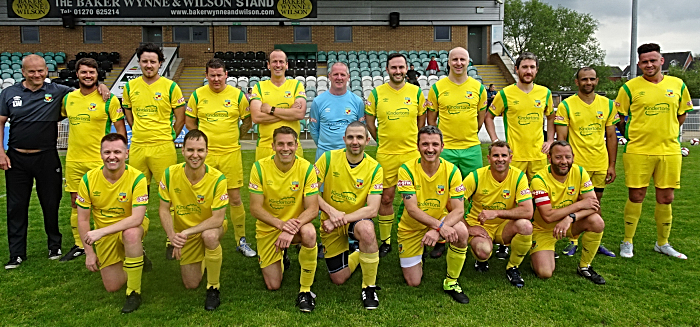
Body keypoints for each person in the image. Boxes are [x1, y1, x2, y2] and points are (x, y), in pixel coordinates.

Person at [0, 54, 109, 269]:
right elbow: (1, 122)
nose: (37, 74)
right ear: (23, 72)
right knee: (16, 206)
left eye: (41, 70)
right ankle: (17, 254)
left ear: (46, 71)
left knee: (51, 203)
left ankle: (54, 246)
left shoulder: (58, 92)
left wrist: (102, 86)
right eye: (32, 71)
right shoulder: (9, 93)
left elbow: (85, 89)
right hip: (16, 158)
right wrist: (1, 152)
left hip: (47, 155)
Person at [615, 43, 693, 259]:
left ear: (661, 61)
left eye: (653, 60)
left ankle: (663, 243)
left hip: (669, 150)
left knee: (666, 197)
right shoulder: (629, 88)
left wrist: (665, 131)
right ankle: (627, 241)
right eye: (644, 62)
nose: (649, 64)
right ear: (639, 64)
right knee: (636, 195)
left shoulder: (677, 84)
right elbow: (620, 118)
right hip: (638, 150)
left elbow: (681, 114)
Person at [484, 52, 554, 260]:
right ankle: (505, 241)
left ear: (536, 70)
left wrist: (549, 141)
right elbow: (489, 116)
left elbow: (551, 116)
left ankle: (538, 238)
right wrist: (496, 140)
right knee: (511, 199)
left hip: (538, 156)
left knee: (540, 199)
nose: (528, 71)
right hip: (513, 157)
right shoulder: (506, 94)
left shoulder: (545, 93)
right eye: (524, 67)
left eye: (532, 67)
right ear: (517, 69)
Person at [185, 58, 255, 258]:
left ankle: (240, 240)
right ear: (205, 76)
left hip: (231, 153)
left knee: (234, 198)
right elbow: (190, 121)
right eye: (212, 75)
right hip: (205, 156)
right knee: (201, 197)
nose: (216, 79)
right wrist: (200, 144)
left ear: (226, 75)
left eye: (219, 75)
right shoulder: (198, 95)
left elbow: (247, 120)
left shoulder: (237, 95)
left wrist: (236, 136)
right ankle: (198, 236)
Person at [60, 57, 127, 262]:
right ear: (77, 74)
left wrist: (122, 153)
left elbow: (120, 128)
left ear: (98, 75)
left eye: (92, 72)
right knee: (75, 203)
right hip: (74, 160)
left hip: (101, 161)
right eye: (84, 72)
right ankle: (80, 244)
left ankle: (110, 239)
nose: (88, 76)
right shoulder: (68, 99)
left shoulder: (109, 99)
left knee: (107, 202)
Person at [122, 43, 186, 260]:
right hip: (138, 147)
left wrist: (170, 137)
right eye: (144, 61)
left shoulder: (170, 87)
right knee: (136, 196)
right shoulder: (130, 87)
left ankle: (172, 239)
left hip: (163, 147)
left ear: (160, 63)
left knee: (171, 195)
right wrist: (138, 132)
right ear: (138, 63)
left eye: (153, 61)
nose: (148, 65)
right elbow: (128, 114)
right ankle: (136, 241)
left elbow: (180, 118)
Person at [76, 133, 149, 313]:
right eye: (107, 152)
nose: (112, 156)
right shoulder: (88, 179)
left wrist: (100, 232)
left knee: (131, 234)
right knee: (112, 286)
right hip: (105, 233)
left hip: (132, 226)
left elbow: (137, 218)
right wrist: (89, 253)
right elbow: (83, 218)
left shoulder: (138, 178)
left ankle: (134, 292)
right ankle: (137, 258)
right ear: (100, 154)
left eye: (117, 151)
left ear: (127, 153)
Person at [249, 126, 320, 312]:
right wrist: (282, 226)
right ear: (272, 146)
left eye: (290, 144)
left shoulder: (306, 168)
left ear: (297, 145)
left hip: (295, 228)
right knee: (273, 285)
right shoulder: (259, 167)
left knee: (310, 232)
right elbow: (255, 208)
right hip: (270, 228)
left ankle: (305, 291)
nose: (285, 148)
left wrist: (289, 229)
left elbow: (313, 209)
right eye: (280, 144)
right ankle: (282, 255)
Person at [426, 47, 487, 258]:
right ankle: (442, 235)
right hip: (447, 149)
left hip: (471, 148)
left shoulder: (478, 88)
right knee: (443, 194)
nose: (459, 63)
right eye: (455, 59)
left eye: (463, 59)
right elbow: (431, 119)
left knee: (476, 193)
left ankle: (476, 232)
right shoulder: (438, 88)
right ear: (449, 62)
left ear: (468, 62)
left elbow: (480, 117)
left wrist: (468, 135)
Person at [397, 126, 469, 304]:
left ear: (442, 146)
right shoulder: (406, 169)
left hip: (439, 223)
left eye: (435, 144)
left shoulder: (452, 170)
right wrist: (440, 227)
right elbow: (412, 209)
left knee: (461, 231)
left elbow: (459, 210)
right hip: (411, 228)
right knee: (414, 282)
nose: (430, 149)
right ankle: (419, 254)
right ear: (418, 146)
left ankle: (451, 281)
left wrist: (438, 228)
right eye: (425, 144)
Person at [315, 122, 383, 309]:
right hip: (329, 220)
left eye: (360, 137)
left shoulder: (375, 168)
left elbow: (372, 210)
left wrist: (339, 219)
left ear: (367, 141)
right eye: (351, 137)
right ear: (344, 139)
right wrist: (331, 212)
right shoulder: (327, 158)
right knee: (338, 279)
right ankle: (359, 253)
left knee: (367, 229)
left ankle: (369, 287)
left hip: (354, 220)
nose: (355, 141)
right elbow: (310, 192)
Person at [365, 53, 427, 258]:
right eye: (394, 68)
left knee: (417, 199)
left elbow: (421, 121)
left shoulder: (416, 93)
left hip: (411, 153)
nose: (398, 71)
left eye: (401, 67)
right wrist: (381, 140)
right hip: (386, 154)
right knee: (386, 198)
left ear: (407, 68)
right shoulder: (376, 93)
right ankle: (386, 241)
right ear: (387, 69)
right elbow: (370, 121)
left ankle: (418, 235)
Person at [158, 130, 228, 311]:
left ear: (207, 151)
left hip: (209, 227)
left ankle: (213, 287)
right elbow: (163, 209)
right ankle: (205, 256)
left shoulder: (218, 179)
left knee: (210, 236)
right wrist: (172, 236)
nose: (195, 155)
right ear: (182, 150)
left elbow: (218, 218)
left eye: (200, 150)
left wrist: (186, 233)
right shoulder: (169, 174)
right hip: (183, 233)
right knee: (190, 284)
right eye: (190, 150)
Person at [555, 67, 619, 258]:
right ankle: (573, 241)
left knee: (595, 204)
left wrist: (612, 164)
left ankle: (594, 239)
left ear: (597, 81)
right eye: (584, 79)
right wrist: (564, 164)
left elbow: (611, 136)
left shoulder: (607, 105)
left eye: (591, 79)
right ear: (577, 82)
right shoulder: (566, 106)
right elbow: (562, 139)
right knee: (576, 203)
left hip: (599, 163)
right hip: (577, 165)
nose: (588, 83)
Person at [530, 141, 606, 285]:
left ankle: (584, 266)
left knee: (596, 221)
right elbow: (548, 216)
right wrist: (579, 204)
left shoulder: (580, 172)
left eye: (567, 157)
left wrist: (571, 217)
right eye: (558, 157)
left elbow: (593, 205)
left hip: (569, 224)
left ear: (573, 157)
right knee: (544, 273)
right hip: (544, 230)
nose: (564, 161)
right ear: (549, 158)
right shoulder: (539, 179)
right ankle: (538, 253)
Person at [464, 141, 533, 288]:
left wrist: (496, 213)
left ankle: (513, 267)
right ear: (488, 158)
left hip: (504, 225)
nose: (500, 159)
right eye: (495, 155)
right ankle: (481, 260)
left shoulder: (519, 176)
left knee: (526, 226)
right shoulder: (475, 176)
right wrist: (469, 228)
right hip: (480, 225)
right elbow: (452, 203)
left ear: (510, 158)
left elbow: (528, 211)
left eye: (504, 155)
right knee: (483, 251)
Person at [249, 49, 307, 161]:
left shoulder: (296, 85)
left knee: (295, 179)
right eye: (274, 61)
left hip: (292, 147)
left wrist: (270, 109)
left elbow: (299, 114)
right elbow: (256, 117)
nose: (278, 65)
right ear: (268, 65)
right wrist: (289, 112)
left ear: (287, 65)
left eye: (281, 62)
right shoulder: (259, 87)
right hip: (265, 147)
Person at [309, 62, 365, 161]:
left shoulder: (357, 102)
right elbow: (314, 129)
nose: (339, 78)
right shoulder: (318, 101)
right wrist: (324, 146)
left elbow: (361, 129)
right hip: (324, 155)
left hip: (349, 155)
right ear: (329, 76)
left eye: (343, 74)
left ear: (348, 77)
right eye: (335, 74)